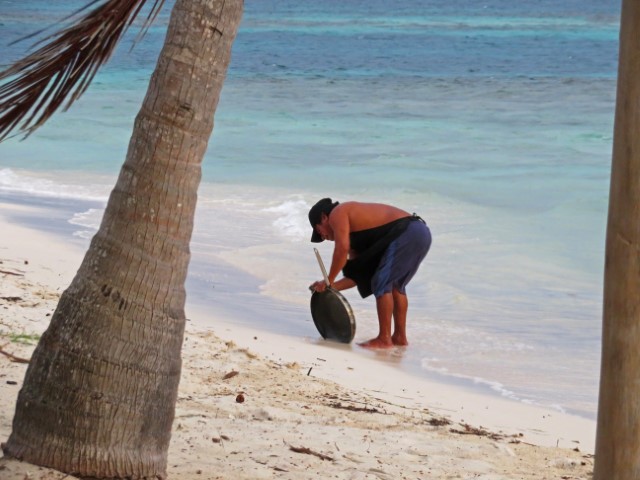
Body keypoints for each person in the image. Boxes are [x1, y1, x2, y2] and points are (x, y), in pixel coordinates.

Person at [308, 198, 431, 349]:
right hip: (419, 233)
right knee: (395, 286)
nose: (322, 238)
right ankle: (399, 337)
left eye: (318, 231)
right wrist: (330, 287)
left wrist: (329, 279)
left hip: (408, 231)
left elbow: (341, 250)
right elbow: (358, 276)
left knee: (382, 281)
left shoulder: (337, 213)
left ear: (324, 218)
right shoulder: (355, 240)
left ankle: (384, 339)